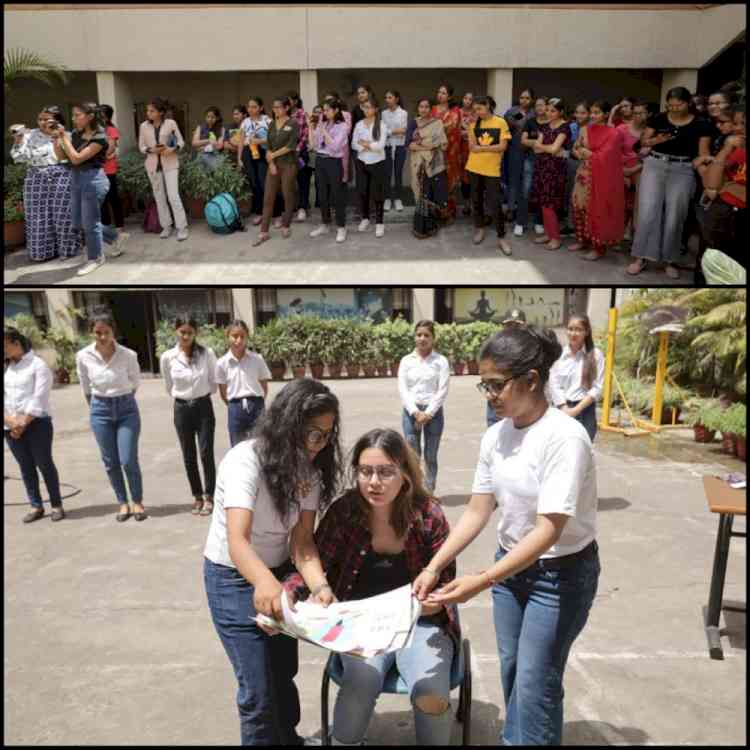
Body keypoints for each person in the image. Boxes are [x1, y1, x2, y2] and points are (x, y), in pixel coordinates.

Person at [412, 324, 600, 747]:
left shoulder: (564, 438)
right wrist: (434, 566)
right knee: (513, 670)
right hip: (511, 572)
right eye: (485, 386)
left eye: (496, 385)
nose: (490, 395)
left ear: (531, 380)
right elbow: (478, 510)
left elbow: (549, 530)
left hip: (559, 576)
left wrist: (482, 580)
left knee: (536, 682)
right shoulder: (496, 436)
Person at [283, 428, 460, 746]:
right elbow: (313, 563)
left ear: (404, 474)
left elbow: (447, 584)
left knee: (431, 692)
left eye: (385, 472)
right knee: (362, 680)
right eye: (365, 471)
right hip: (360, 624)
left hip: (419, 623)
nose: (374, 482)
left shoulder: (428, 515)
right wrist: (286, 598)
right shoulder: (345, 512)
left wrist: (433, 603)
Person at [203, 378, 343, 746]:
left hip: (279, 572)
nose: (318, 445)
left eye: (325, 436)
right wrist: (265, 584)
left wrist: (320, 587)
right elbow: (238, 540)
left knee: (283, 672)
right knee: (258, 691)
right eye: (311, 433)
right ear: (286, 425)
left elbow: (302, 543)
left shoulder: (309, 473)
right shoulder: (245, 460)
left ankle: (288, 739)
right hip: (233, 576)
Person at [627, 86, 713, 278]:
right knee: (648, 211)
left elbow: (703, 154)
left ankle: (670, 260)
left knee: (676, 215)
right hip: (655, 165)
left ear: (688, 102)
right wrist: (657, 140)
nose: (674, 109)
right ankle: (640, 257)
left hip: (683, 170)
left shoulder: (701, 124)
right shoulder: (658, 119)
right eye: (670, 105)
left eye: (678, 105)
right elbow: (643, 143)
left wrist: (708, 174)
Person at [75, 310, 146, 522]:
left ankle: (137, 501)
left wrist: (120, 398)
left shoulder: (128, 355)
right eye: (98, 333)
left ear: (113, 331)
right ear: (91, 333)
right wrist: (99, 405)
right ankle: (122, 502)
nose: (103, 337)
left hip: (126, 409)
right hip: (100, 410)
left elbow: (135, 382)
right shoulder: (83, 356)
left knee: (128, 459)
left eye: (106, 332)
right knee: (110, 461)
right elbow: (85, 386)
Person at [53, 102, 126, 276]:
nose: (73, 119)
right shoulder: (77, 134)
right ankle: (115, 237)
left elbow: (77, 158)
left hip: (93, 180)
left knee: (90, 223)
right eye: (73, 115)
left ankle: (96, 258)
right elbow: (62, 157)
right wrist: (58, 140)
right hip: (76, 178)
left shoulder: (100, 137)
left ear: (90, 116)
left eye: (77, 115)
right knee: (78, 222)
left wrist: (64, 137)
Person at [4, 328, 65, 523]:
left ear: (16, 343)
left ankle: (56, 505)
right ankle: (36, 505)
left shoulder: (38, 365)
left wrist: (22, 422)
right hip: (10, 427)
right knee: (25, 466)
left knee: (44, 464)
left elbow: (39, 398)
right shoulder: (7, 367)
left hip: (37, 424)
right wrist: (9, 421)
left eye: (4, 345)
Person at [160, 317, 218, 517]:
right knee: (189, 455)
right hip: (181, 408)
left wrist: (199, 394)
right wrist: (184, 397)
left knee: (206, 452)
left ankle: (210, 496)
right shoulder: (168, 357)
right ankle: (197, 496)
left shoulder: (206, 354)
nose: (185, 336)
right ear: (175, 331)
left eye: (189, 333)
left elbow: (213, 381)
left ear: (196, 334)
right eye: (182, 332)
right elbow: (168, 386)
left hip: (203, 407)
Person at [10, 106, 80, 262]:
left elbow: (73, 158)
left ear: (56, 120)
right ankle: (41, 252)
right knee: (37, 217)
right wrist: (19, 139)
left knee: (63, 214)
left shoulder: (66, 134)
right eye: (39, 119)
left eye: (46, 119)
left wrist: (58, 136)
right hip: (35, 177)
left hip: (62, 175)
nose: (42, 122)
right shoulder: (29, 135)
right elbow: (18, 158)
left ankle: (67, 250)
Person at [568, 100, 626, 261]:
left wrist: (589, 154)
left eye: (597, 112)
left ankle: (598, 248)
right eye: (592, 112)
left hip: (601, 177)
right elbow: (576, 147)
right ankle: (582, 241)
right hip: (582, 174)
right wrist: (580, 153)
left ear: (606, 114)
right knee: (578, 206)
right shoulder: (584, 129)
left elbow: (607, 157)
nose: (593, 116)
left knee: (595, 210)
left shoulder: (613, 134)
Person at [398, 321, 450, 494]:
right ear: (414, 337)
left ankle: (429, 493)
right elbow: (403, 388)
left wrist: (427, 413)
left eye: (426, 335)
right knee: (412, 456)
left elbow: (442, 390)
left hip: (433, 413)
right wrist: (415, 412)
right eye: (419, 334)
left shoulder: (441, 361)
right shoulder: (406, 361)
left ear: (433, 338)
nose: (422, 338)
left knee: (430, 456)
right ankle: (414, 492)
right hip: (410, 412)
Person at [696, 103, 745, 279]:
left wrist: (729, 187)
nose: (738, 129)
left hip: (736, 214)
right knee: (712, 264)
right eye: (736, 123)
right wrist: (726, 150)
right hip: (723, 212)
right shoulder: (736, 149)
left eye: (742, 124)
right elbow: (712, 183)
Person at [466, 95, 513, 256]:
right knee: (476, 200)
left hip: (492, 169)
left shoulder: (500, 122)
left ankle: (501, 237)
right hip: (473, 167)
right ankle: (480, 229)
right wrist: (479, 147)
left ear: (488, 106)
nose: (476, 112)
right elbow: (471, 146)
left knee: (495, 204)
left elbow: (503, 146)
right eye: (475, 109)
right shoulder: (473, 123)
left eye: (479, 108)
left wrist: (483, 148)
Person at [138, 96, 189, 242]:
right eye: (148, 111)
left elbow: (181, 142)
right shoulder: (143, 126)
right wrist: (150, 150)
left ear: (160, 112)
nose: (149, 113)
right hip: (153, 166)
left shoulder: (171, 123)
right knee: (159, 197)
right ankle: (166, 226)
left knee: (173, 196)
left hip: (171, 164)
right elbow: (141, 147)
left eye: (152, 111)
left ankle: (182, 227)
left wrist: (173, 149)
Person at [251, 96, 300, 247]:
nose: (276, 110)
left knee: (287, 195)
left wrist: (273, 155)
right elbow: (269, 145)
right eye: (274, 107)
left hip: (289, 165)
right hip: (273, 165)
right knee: (268, 197)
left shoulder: (293, 123)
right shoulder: (272, 124)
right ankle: (264, 231)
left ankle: (286, 225)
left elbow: (291, 146)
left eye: (279, 107)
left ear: (286, 108)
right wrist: (271, 162)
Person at [549, 315, 605, 442]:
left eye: (578, 329)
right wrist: (564, 408)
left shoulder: (596, 355)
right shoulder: (559, 354)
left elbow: (597, 387)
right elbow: (554, 383)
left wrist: (576, 410)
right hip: (561, 409)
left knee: (582, 453)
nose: (573, 333)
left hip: (585, 411)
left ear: (586, 332)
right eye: (570, 329)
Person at [215, 320, 272, 447]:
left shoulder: (257, 359)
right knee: (237, 446)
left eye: (242, 336)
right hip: (235, 407)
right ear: (227, 337)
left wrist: (257, 401)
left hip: (256, 405)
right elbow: (223, 392)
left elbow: (264, 385)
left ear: (247, 337)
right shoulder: (222, 363)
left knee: (260, 443)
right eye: (235, 336)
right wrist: (234, 405)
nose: (239, 340)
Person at [530, 97, 573, 251]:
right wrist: (547, 148)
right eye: (548, 110)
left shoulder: (564, 127)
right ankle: (548, 234)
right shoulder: (546, 126)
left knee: (550, 204)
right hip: (541, 167)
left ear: (561, 112)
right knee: (543, 203)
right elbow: (536, 149)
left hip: (555, 170)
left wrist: (544, 147)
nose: (549, 113)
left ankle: (556, 238)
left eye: (553, 110)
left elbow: (555, 149)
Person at [309, 97, 350, 243]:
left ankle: (341, 227)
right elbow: (313, 145)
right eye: (323, 110)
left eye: (327, 110)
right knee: (322, 195)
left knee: (337, 195)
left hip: (334, 162)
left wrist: (323, 131)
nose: (324, 113)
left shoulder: (342, 126)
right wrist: (312, 128)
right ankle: (325, 224)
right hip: (320, 160)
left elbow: (335, 147)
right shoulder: (323, 123)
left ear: (336, 110)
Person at [406, 97, 449, 224]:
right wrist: (427, 146)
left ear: (431, 109)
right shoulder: (413, 123)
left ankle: (436, 220)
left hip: (436, 162)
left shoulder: (437, 123)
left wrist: (428, 144)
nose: (423, 109)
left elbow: (444, 144)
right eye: (421, 107)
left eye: (426, 107)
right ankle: (423, 224)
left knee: (436, 191)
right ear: (417, 109)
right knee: (421, 192)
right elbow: (409, 144)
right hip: (419, 164)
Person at [239, 97, 279, 226]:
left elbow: (274, 140)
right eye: (249, 107)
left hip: (263, 153)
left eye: (254, 106)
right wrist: (239, 158)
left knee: (265, 183)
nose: (250, 109)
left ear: (261, 107)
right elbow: (241, 141)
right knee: (254, 184)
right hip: (248, 153)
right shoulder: (245, 122)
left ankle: (276, 213)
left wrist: (259, 141)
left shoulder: (268, 121)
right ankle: (260, 212)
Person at [352, 98, 388, 238]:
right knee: (363, 191)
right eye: (364, 107)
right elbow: (354, 144)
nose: (366, 110)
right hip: (362, 161)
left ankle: (379, 223)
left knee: (377, 193)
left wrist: (365, 144)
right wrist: (369, 145)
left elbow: (380, 146)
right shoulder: (359, 124)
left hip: (377, 162)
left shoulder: (382, 125)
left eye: (369, 107)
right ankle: (365, 218)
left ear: (376, 109)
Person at [513, 96, 549, 237]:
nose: (539, 108)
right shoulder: (530, 121)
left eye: (542, 105)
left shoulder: (551, 123)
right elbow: (523, 140)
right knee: (526, 190)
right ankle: (520, 223)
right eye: (537, 106)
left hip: (547, 161)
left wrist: (535, 143)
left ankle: (538, 222)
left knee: (541, 192)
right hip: (530, 159)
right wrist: (538, 144)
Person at [486, 309, 526, 428]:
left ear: (524, 326)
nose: (513, 328)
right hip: (497, 401)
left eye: (517, 325)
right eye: (509, 324)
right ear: (503, 326)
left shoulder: (531, 349)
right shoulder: (494, 346)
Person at [98, 105, 129, 257]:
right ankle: (108, 231)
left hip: (109, 170)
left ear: (107, 116)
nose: (99, 117)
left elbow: (110, 150)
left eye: (101, 115)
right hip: (98, 170)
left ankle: (119, 229)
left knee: (113, 200)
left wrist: (100, 156)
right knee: (102, 203)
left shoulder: (111, 130)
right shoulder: (96, 130)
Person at [617, 99, 649, 239]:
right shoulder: (621, 129)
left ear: (648, 114)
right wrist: (623, 172)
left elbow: (652, 155)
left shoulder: (651, 132)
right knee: (619, 206)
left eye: (642, 113)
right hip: (621, 170)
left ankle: (634, 238)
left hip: (642, 172)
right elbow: (613, 152)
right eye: (635, 113)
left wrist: (635, 168)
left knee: (638, 207)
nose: (638, 116)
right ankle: (616, 235)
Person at [503, 88, 535, 223]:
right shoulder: (513, 112)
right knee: (513, 180)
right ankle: (510, 208)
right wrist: (522, 115)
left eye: (527, 98)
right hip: (515, 150)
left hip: (531, 153)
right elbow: (509, 126)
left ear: (532, 99)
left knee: (527, 183)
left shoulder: (535, 113)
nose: (524, 100)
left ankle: (523, 210)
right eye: (522, 97)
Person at [431, 83, 463, 220]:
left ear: (449, 96)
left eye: (443, 93)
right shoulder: (432, 109)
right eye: (439, 91)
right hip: (434, 151)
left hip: (450, 151)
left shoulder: (455, 110)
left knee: (449, 181)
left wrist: (437, 127)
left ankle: (448, 211)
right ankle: (435, 211)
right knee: (435, 180)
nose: (440, 94)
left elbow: (452, 126)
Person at [561, 101, 589, 237]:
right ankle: (571, 225)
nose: (579, 115)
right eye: (577, 112)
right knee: (571, 194)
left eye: (582, 112)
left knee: (584, 198)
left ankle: (585, 229)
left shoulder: (593, 128)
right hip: (572, 162)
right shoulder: (571, 126)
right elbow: (568, 146)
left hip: (588, 166)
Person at [382, 90, 409, 212]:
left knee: (398, 173)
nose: (387, 100)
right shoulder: (383, 113)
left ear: (396, 99)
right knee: (387, 174)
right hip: (387, 146)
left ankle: (398, 199)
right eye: (386, 97)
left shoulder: (403, 113)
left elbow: (403, 130)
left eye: (390, 97)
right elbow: (383, 130)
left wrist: (389, 131)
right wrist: (391, 131)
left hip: (400, 146)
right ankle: (387, 198)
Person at [287, 91, 312, 222]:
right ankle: (292, 207)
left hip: (300, 152)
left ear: (295, 101)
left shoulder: (302, 114)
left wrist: (297, 149)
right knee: (289, 182)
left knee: (303, 181)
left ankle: (303, 208)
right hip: (286, 153)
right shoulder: (284, 115)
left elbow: (305, 134)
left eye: (289, 100)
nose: (287, 103)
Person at [459, 92, 477, 215]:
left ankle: (474, 204)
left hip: (474, 150)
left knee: (473, 178)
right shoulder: (456, 113)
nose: (467, 101)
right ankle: (466, 204)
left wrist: (469, 133)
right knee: (463, 178)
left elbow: (479, 130)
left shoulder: (476, 114)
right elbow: (454, 130)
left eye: (470, 99)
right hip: (460, 149)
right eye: (465, 98)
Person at [193, 106, 226, 171]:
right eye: (208, 117)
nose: (210, 119)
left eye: (212, 117)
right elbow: (194, 143)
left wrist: (203, 147)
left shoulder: (221, 129)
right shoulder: (200, 127)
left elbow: (219, 146)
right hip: (201, 158)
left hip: (215, 158)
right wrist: (209, 141)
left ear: (217, 118)